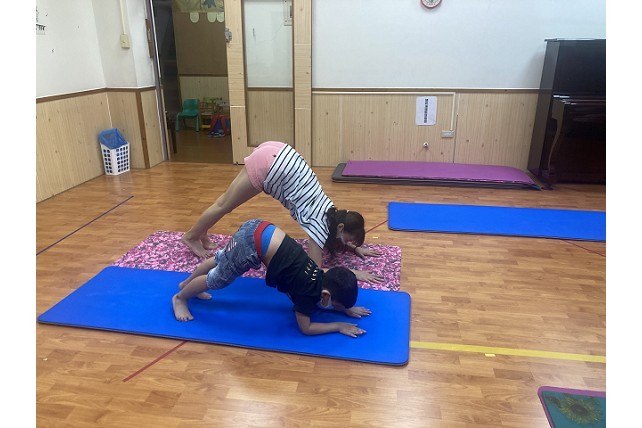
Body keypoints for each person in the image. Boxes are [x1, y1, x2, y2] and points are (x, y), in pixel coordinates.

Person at [181, 141, 383, 283]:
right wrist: (354, 273)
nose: (345, 243)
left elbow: (338, 235)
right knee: (224, 205)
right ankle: (191, 236)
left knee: (224, 202)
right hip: (272, 166)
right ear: (340, 227)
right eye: (347, 239)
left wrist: (354, 247)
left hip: (281, 152)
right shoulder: (320, 228)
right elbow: (315, 271)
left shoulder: (330, 209)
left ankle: (202, 232)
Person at [173, 219, 371, 337]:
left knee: (221, 259)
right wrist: (338, 326)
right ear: (326, 295)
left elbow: (330, 288)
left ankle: (186, 283)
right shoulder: (306, 292)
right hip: (253, 244)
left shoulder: (321, 274)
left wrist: (345, 308)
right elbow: (306, 328)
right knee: (218, 279)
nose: (333, 308)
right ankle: (181, 297)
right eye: (335, 305)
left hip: (261, 228)